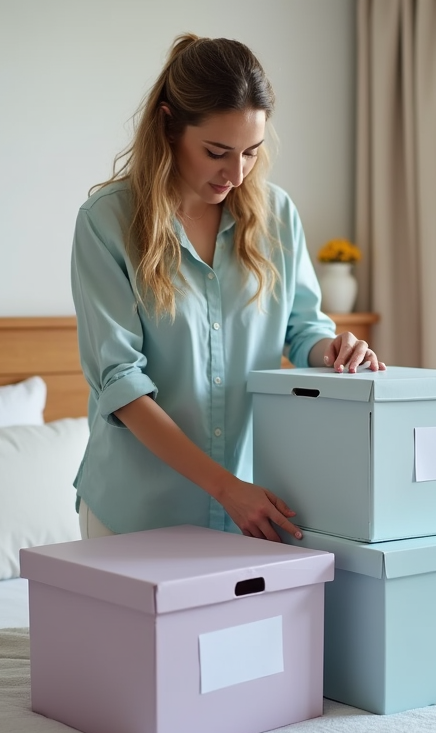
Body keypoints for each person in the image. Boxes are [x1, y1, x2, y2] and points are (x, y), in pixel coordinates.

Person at [70, 33, 385, 544]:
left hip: (250, 511)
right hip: (136, 511)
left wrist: (336, 349)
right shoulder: (107, 222)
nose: (236, 173)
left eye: (251, 152)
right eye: (217, 152)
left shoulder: (276, 215)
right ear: (169, 125)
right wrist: (226, 488)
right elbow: (120, 384)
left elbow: (303, 331)